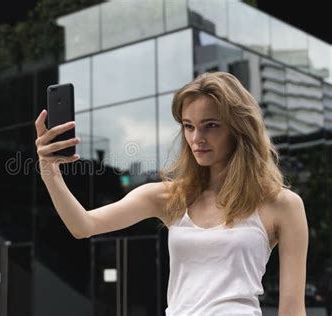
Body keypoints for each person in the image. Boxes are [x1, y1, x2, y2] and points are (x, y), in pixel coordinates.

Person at [34, 71, 308, 315]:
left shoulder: (282, 205)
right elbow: (83, 225)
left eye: (210, 125)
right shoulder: (170, 197)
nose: (196, 138)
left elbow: (293, 309)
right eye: (189, 126)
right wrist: (49, 170)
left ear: (239, 129)